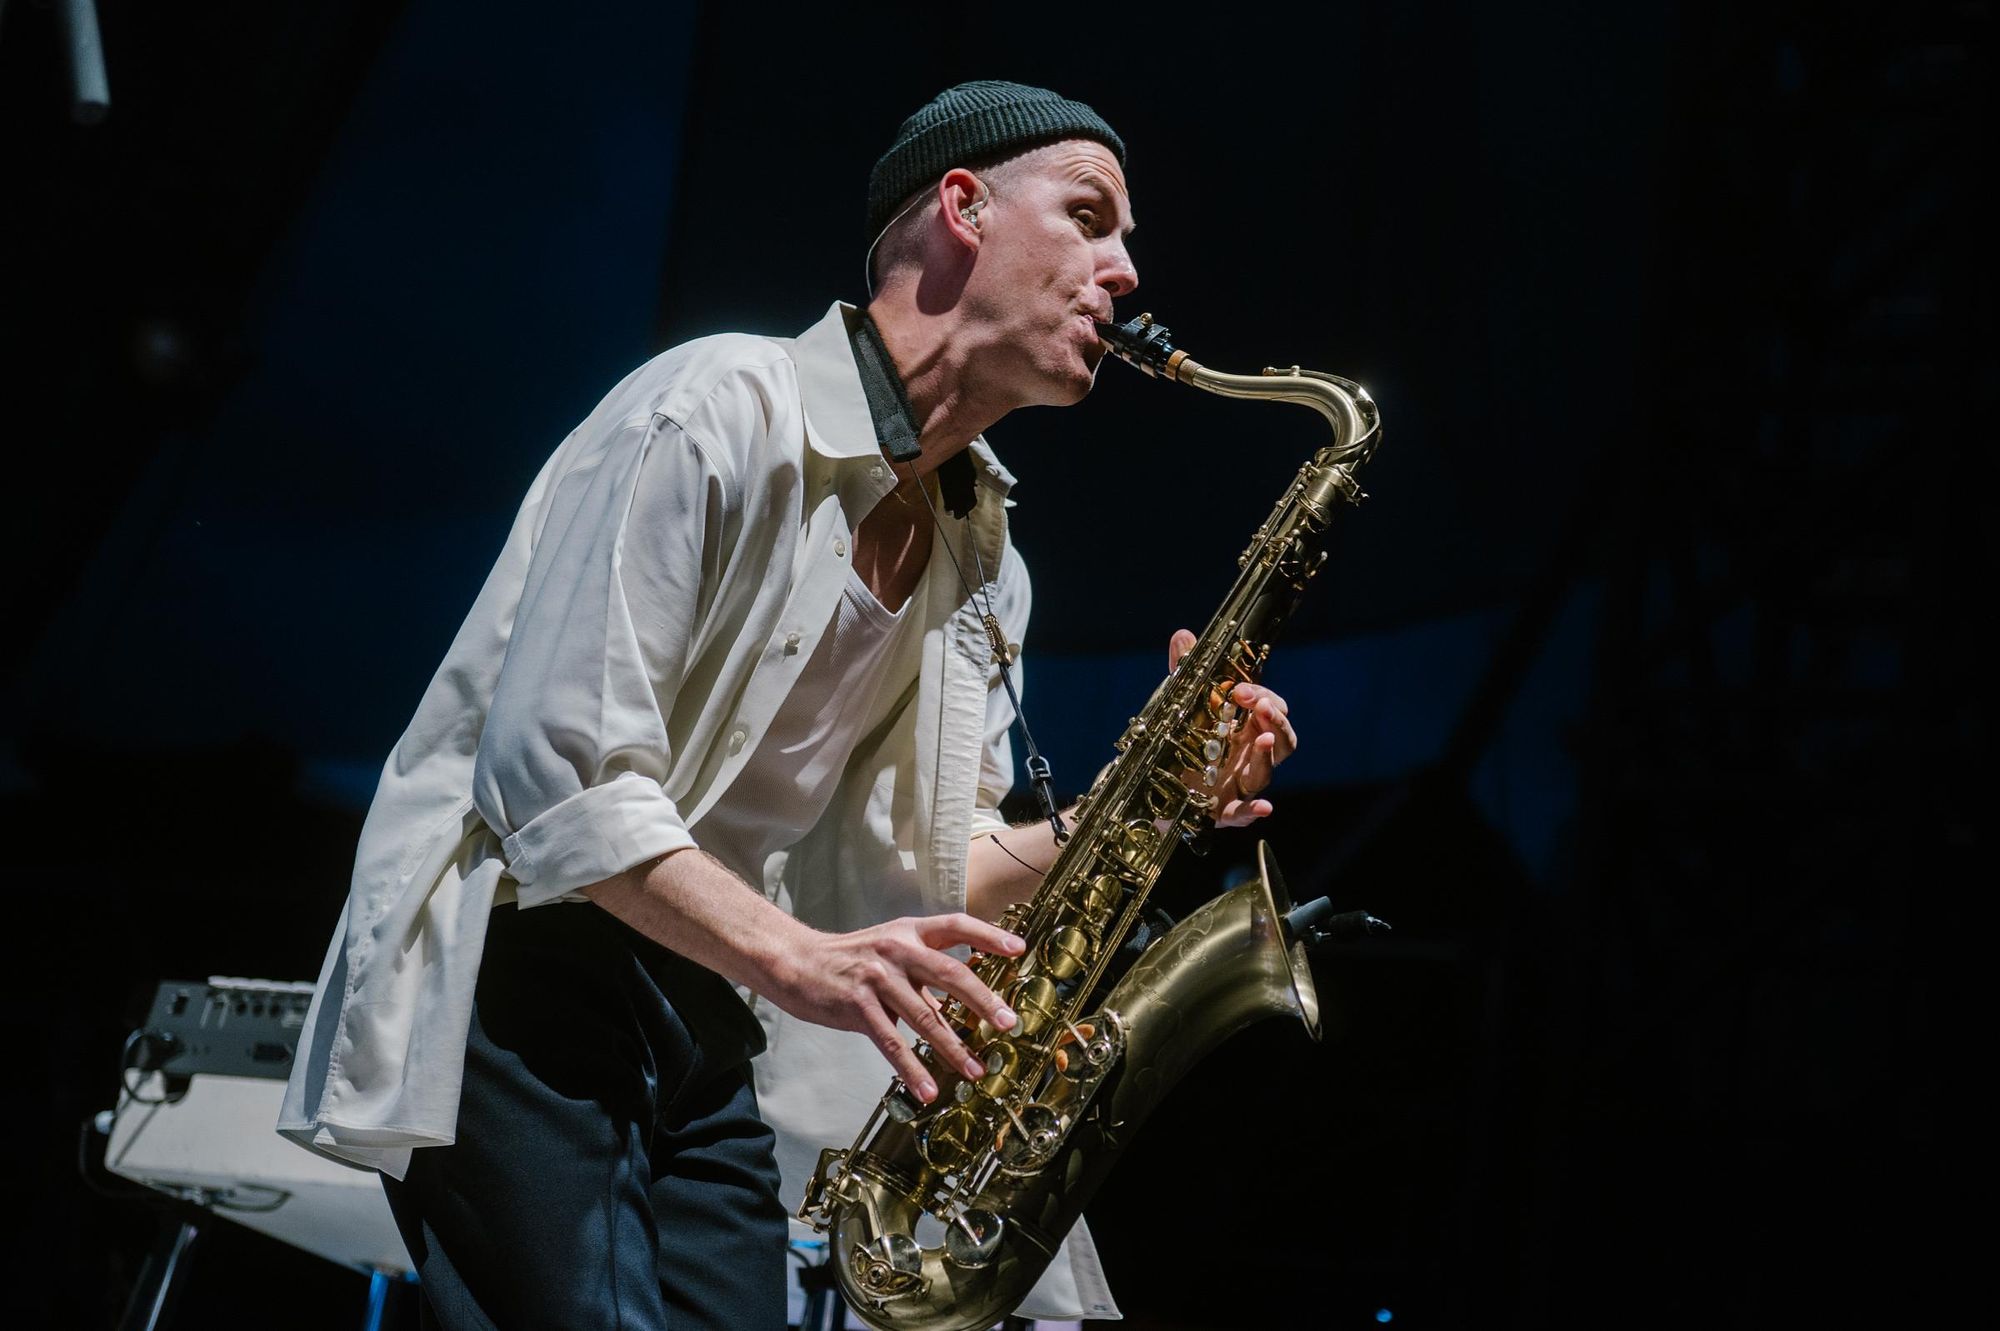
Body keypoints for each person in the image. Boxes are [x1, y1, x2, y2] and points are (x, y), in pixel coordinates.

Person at [279, 80, 1298, 1329]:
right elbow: (558, 779)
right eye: (1089, 216)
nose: (1123, 269)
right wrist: (798, 955)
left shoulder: (987, 554)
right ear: (961, 208)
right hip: (529, 963)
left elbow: (928, 866)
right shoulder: (713, 405)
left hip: (707, 1000)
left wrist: (1149, 800)